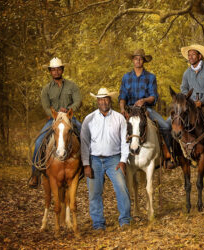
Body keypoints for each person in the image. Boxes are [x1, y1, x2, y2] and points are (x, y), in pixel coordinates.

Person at [81, 88, 131, 230]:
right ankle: (98, 224)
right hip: (94, 159)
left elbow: (124, 141)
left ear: (110, 100)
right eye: (100, 99)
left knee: (122, 188)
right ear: (97, 101)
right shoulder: (89, 119)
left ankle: (125, 220)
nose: (103, 102)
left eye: (106, 99)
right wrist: (86, 164)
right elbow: (84, 143)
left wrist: (123, 160)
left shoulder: (119, 118)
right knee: (94, 192)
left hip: (114, 159)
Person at [28, 57, 82, 188]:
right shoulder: (46, 89)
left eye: (58, 69)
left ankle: (88, 167)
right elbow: (46, 107)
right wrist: (55, 115)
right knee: (39, 141)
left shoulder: (72, 86)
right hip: (54, 120)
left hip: (70, 119)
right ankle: (35, 174)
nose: (56, 72)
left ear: (62, 70)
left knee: (85, 136)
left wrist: (69, 110)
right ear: (50, 72)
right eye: (53, 70)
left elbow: (78, 101)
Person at [119, 48, 174, 168]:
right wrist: (122, 109)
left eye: (140, 59)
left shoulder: (150, 77)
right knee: (115, 128)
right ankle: (115, 158)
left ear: (143, 61)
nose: (138, 60)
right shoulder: (126, 77)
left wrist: (144, 100)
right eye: (136, 58)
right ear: (133, 60)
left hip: (145, 109)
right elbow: (122, 96)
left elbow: (154, 96)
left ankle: (168, 154)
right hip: (129, 110)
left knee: (165, 126)